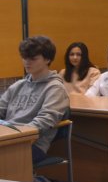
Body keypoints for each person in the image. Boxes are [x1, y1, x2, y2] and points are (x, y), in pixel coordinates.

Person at [0, 36, 69, 164]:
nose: (27, 62)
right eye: (24, 57)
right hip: (7, 140)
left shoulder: (55, 88)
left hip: (32, 144)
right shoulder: (18, 86)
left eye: (33, 58)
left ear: (47, 59)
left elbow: (45, 120)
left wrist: (17, 136)